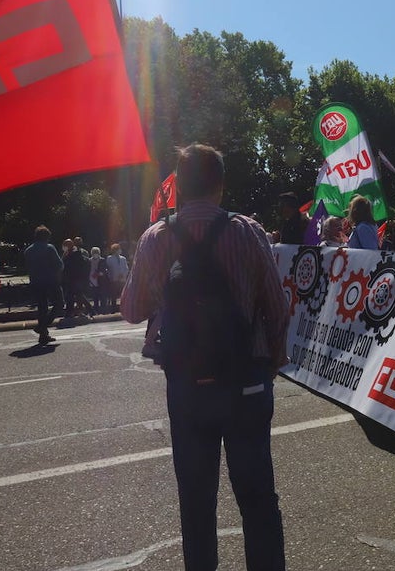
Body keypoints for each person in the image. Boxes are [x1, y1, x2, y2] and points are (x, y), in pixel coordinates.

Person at [122, 143, 289, 570]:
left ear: (177, 184)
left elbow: (131, 309)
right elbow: (277, 305)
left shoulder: (157, 237)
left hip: (186, 386)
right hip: (246, 381)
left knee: (196, 502)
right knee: (257, 498)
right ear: (220, 185)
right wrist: (272, 359)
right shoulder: (247, 230)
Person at [24, 225, 64, 345]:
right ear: (46, 237)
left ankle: (43, 335)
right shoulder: (49, 248)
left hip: (36, 282)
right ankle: (42, 326)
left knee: (42, 308)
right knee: (59, 303)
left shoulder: (28, 250)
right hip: (50, 281)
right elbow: (59, 265)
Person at [105, 243, 130, 311]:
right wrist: (110, 276)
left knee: (123, 294)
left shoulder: (123, 258)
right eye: (118, 249)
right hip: (114, 279)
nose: (119, 250)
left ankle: (124, 307)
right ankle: (114, 308)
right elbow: (108, 269)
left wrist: (123, 274)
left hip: (122, 279)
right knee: (114, 295)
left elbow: (126, 268)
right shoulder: (109, 258)